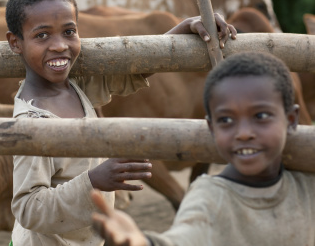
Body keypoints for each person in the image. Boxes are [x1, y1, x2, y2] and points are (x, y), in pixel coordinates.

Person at [5, 0, 236, 246]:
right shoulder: (31, 124)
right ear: (15, 42)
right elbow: (27, 208)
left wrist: (182, 28)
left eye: (69, 32)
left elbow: (130, 74)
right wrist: (93, 180)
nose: (59, 45)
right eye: (42, 35)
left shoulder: (73, 87)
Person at [91, 51, 315, 246]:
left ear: (291, 119)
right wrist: (145, 243)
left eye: (261, 116)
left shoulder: (306, 183)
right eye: (226, 120)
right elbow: (183, 239)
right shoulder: (209, 197)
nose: (244, 132)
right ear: (211, 127)